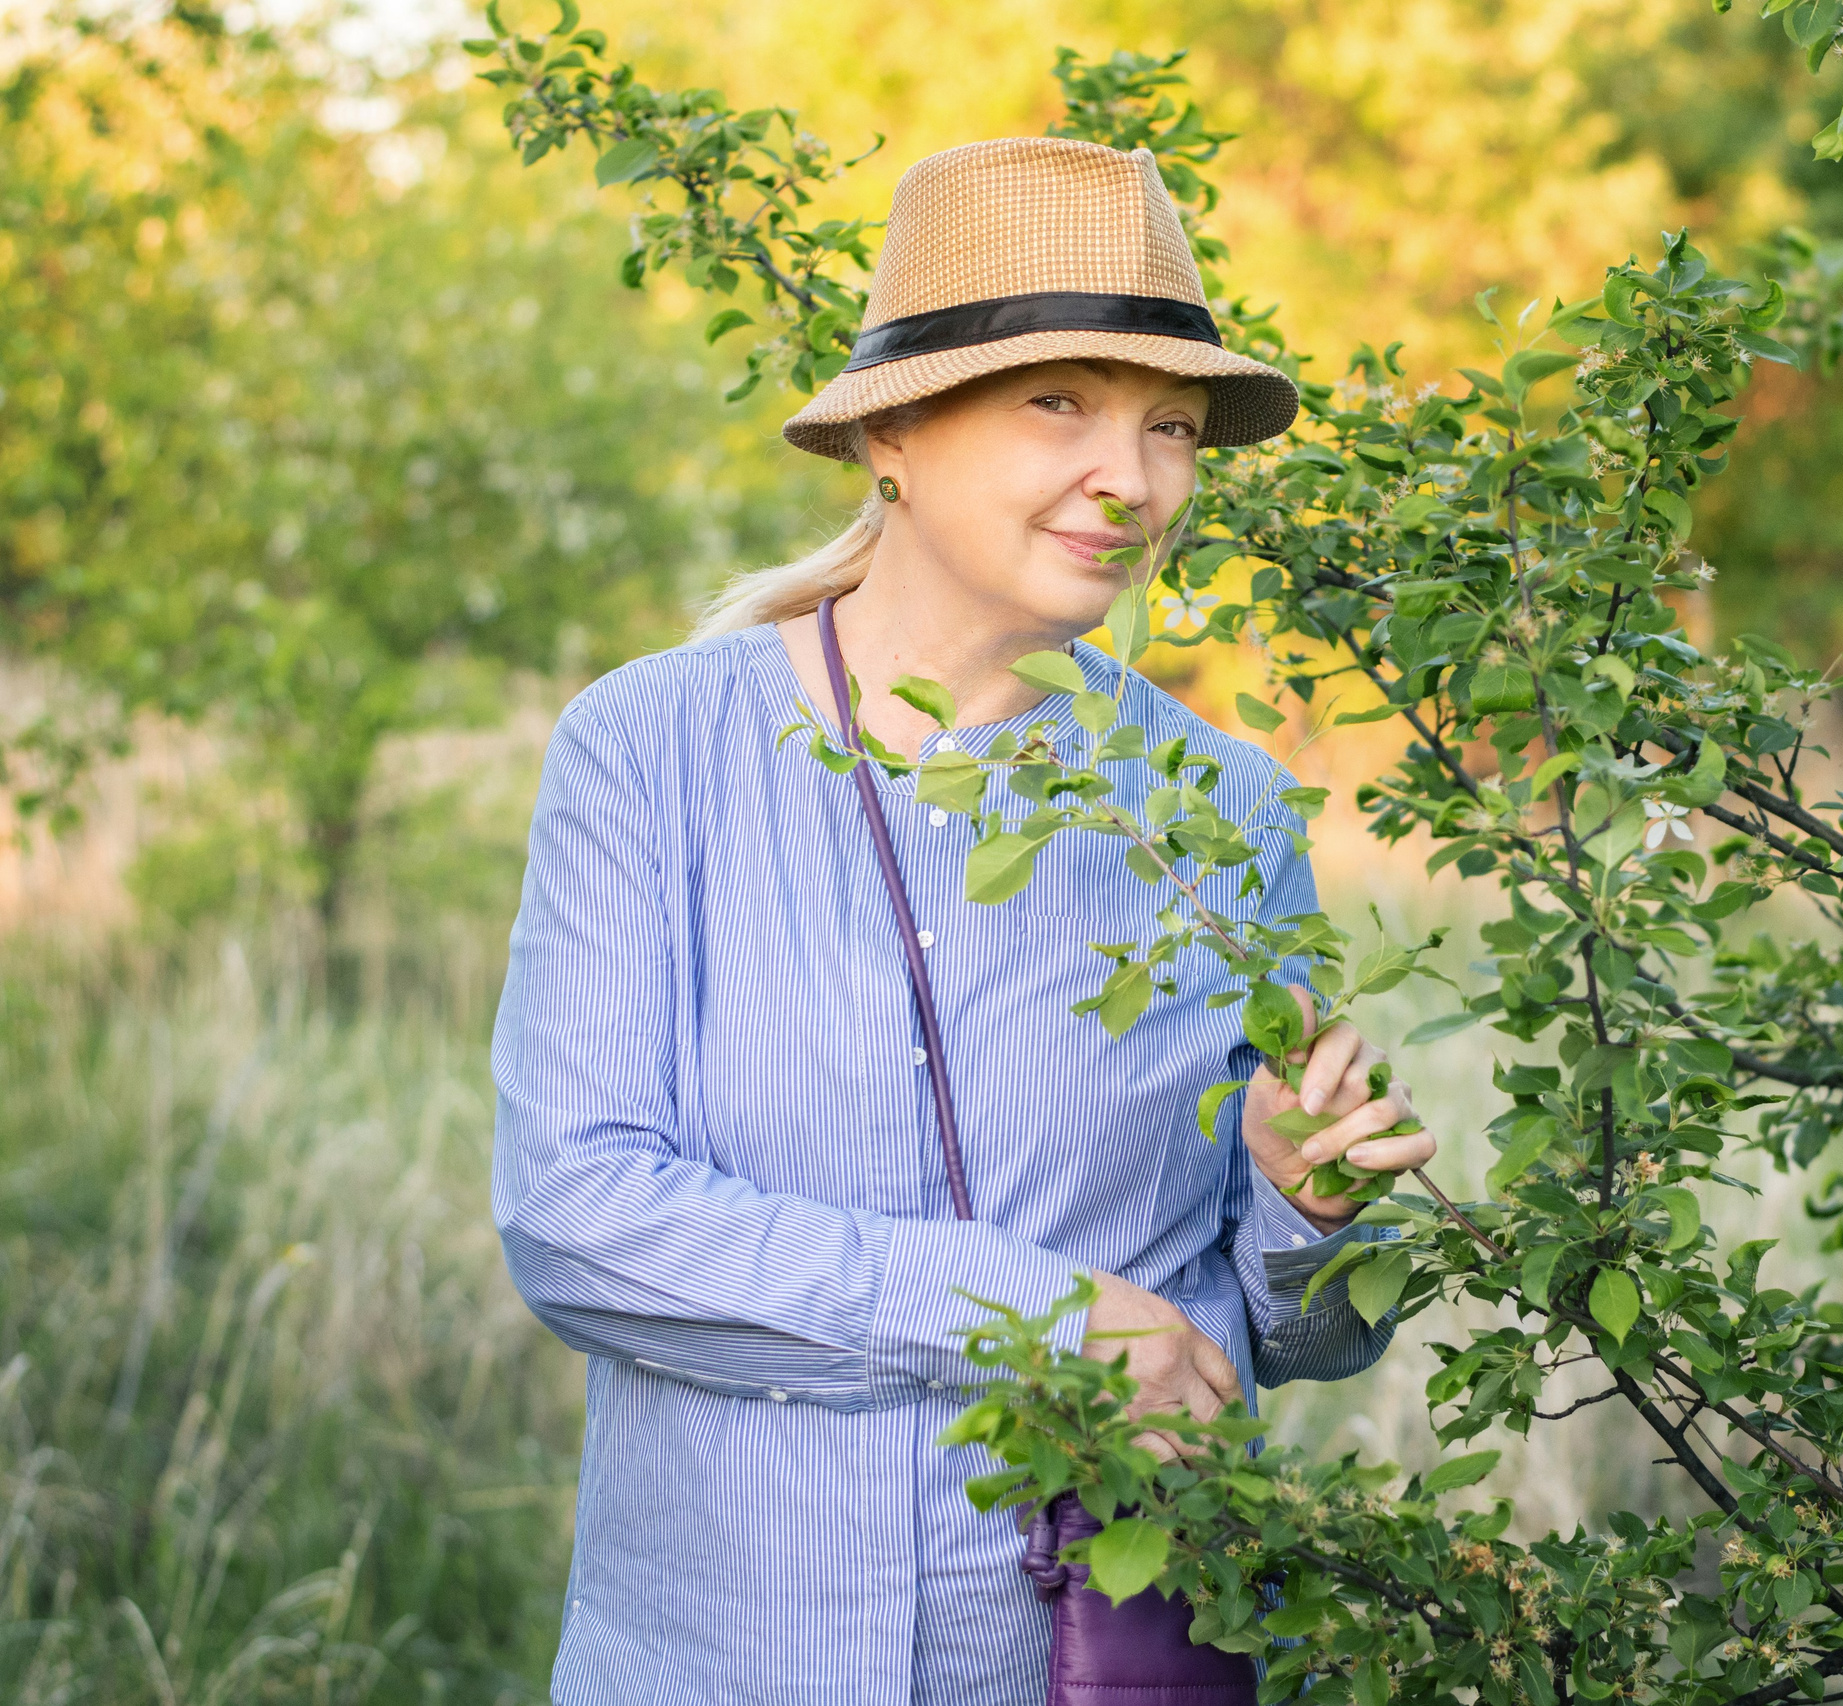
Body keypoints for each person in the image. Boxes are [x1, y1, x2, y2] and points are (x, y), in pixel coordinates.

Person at [489, 135, 1437, 1704]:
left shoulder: (1226, 815)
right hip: (723, 1658)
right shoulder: (650, 748)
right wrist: (1040, 1319)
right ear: (894, 437)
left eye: (1171, 427)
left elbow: (1305, 1337)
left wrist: (1310, 1217)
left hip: (1092, 1664)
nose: (1126, 477)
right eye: (1054, 402)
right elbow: (578, 1216)